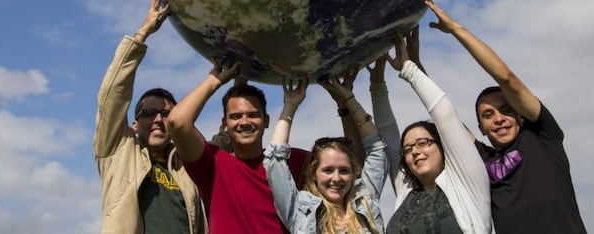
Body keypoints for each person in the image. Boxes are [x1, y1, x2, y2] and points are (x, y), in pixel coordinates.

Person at [422, 0, 587, 233]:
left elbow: (506, 77)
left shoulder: (542, 135)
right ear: (481, 127)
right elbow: (445, 116)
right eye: (488, 115)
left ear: (520, 115)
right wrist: (414, 67)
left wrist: (456, 30)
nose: (498, 118)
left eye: (506, 110)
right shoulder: (483, 159)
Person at [93, 0, 205, 234]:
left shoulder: (186, 168)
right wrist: (142, 33)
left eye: (166, 114)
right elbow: (112, 98)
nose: (157, 119)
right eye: (149, 114)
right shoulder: (117, 153)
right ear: (134, 124)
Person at [371, 28, 491, 234]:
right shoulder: (405, 189)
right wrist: (377, 84)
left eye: (423, 143)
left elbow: (444, 113)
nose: (415, 151)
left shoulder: (466, 180)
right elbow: (387, 134)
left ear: (443, 147)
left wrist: (409, 69)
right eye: (408, 149)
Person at [166, 65, 310, 234]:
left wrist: (344, 102)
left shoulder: (289, 161)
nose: (244, 122)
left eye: (253, 115)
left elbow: (347, 160)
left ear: (267, 120)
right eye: (235, 116)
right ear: (225, 124)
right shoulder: (212, 164)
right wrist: (215, 80)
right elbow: (177, 122)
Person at [264, 73, 387, 234]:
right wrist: (290, 105)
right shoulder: (300, 210)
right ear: (314, 173)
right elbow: (274, 162)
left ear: (353, 173)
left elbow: (377, 149)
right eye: (328, 170)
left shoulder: (365, 199)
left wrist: (348, 98)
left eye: (344, 170)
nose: (336, 179)